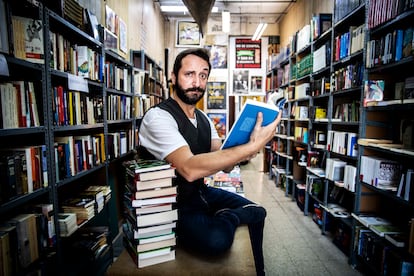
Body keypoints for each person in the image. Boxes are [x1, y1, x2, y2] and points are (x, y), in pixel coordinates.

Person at [138, 48, 281, 275]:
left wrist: (246, 150)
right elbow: (189, 169)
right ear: (173, 77)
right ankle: (226, 216)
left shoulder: (203, 118)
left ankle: (258, 272)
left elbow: (223, 162)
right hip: (172, 205)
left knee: (257, 211)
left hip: (201, 193)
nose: (197, 82)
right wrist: (250, 147)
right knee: (216, 240)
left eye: (203, 75)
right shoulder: (158, 117)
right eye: (189, 74)